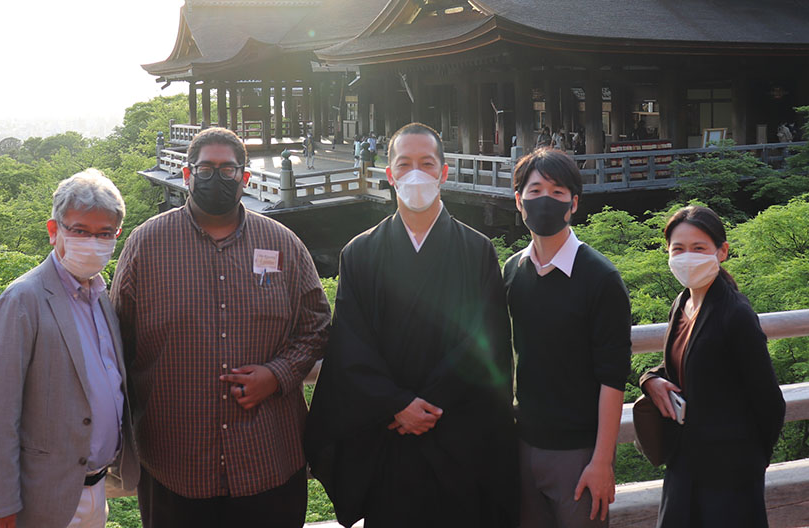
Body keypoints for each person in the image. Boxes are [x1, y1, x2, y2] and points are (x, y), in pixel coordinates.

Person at [112, 127, 331, 528]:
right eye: (206, 168)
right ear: (187, 175)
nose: (217, 177)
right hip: (175, 462)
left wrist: (278, 374)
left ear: (244, 177)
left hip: (269, 458)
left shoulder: (282, 243)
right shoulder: (147, 245)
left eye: (228, 170)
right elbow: (116, 341)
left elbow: (316, 325)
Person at [305, 122, 517, 528]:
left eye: (426, 163)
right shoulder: (361, 253)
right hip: (391, 436)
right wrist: (397, 403)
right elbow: (351, 345)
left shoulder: (476, 251)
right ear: (389, 174)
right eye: (404, 164)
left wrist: (429, 403)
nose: (415, 173)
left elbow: (486, 339)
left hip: (459, 433)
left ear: (444, 172)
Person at [0, 168, 138, 528]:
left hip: (94, 488)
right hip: (39, 499)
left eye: (104, 233)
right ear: (53, 230)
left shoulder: (101, 295)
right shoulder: (23, 300)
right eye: (79, 231)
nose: (92, 242)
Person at [504, 149, 631, 527]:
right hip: (523, 445)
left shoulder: (601, 279)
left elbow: (613, 376)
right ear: (519, 201)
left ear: (573, 204)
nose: (545, 200)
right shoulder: (513, 271)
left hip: (578, 454)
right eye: (535, 189)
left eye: (558, 192)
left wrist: (602, 461)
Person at [641, 205, 786, 528]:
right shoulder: (683, 303)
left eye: (699, 248)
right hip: (684, 459)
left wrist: (750, 465)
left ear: (722, 252)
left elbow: (769, 402)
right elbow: (680, 367)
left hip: (729, 471)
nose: (687, 257)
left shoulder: (735, 314)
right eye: (678, 249)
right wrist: (650, 379)